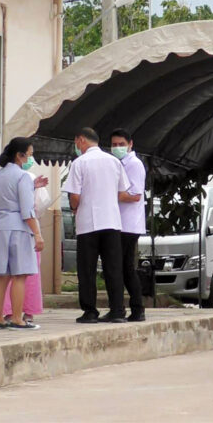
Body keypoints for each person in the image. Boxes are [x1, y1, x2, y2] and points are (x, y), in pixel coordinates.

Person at [62, 128, 130, 324]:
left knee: (87, 270)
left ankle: (90, 311)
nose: (76, 146)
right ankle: (117, 310)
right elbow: (122, 191)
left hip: (88, 223)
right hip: (112, 221)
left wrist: (75, 207)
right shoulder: (114, 162)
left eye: (76, 142)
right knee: (113, 268)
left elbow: (74, 196)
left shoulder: (79, 162)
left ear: (81, 140)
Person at [0, 137, 48, 330]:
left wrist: (32, 186)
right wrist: (37, 234)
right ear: (19, 155)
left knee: (2, 276)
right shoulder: (23, 176)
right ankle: (17, 318)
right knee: (20, 274)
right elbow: (27, 209)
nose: (30, 159)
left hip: (0, 225)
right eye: (29, 155)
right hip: (18, 228)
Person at [2, 166, 51, 325]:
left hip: (3, 228)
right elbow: (39, 205)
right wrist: (37, 233)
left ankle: (6, 313)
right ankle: (27, 312)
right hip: (27, 228)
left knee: (4, 274)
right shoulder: (28, 176)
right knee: (28, 273)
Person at [110, 129, 146, 322]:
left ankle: (137, 308)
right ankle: (135, 308)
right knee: (123, 268)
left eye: (120, 144)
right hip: (120, 223)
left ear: (130, 144)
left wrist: (107, 192)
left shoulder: (134, 164)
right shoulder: (120, 163)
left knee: (125, 268)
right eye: (114, 145)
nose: (117, 148)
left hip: (128, 225)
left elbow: (135, 195)